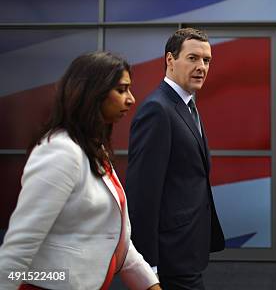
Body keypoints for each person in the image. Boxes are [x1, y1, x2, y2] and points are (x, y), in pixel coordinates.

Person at [0, 52, 160, 290]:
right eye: (121, 89)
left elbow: (119, 242)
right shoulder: (61, 151)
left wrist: (150, 285)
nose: (131, 99)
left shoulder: (93, 149)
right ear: (93, 93)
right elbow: (21, 243)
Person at [126, 28, 225, 290]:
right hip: (169, 256)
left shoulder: (186, 103)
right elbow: (142, 194)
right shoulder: (157, 110)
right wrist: (148, 267)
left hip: (187, 249)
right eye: (193, 58)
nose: (202, 67)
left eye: (206, 61)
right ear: (170, 60)